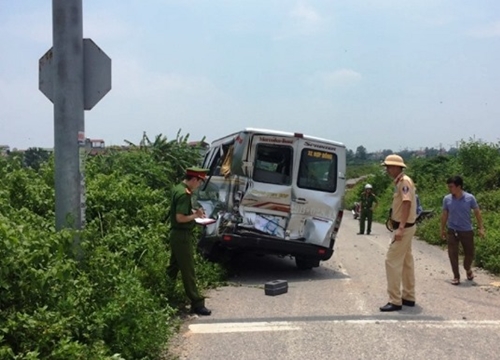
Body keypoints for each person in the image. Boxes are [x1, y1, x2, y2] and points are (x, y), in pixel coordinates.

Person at [167, 167, 212, 316]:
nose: (199, 185)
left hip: (176, 235)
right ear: (194, 179)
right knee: (188, 270)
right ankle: (197, 303)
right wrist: (196, 216)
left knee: (173, 268)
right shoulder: (184, 194)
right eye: (200, 182)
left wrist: (192, 212)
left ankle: (165, 294)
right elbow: (180, 218)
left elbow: (179, 212)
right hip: (182, 236)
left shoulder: (178, 188)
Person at [379, 154, 417, 312]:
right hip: (406, 226)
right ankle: (408, 296)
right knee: (407, 262)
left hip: (405, 227)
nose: (387, 170)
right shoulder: (402, 182)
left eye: (388, 167)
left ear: (396, 167)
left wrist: (400, 227)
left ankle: (395, 300)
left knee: (391, 261)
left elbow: (407, 203)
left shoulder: (404, 182)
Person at [440, 175, 485, 285]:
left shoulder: (470, 198)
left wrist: (481, 228)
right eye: (449, 187)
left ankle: (467, 268)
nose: (449, 189)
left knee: (469, 253)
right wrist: (442, 229)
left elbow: (477, 212)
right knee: (452, 254)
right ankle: (456, 276)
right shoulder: (447, 199)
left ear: (459, 186)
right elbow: (445, 214)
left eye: (451, 187)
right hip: (452, 230)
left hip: (466, 230)